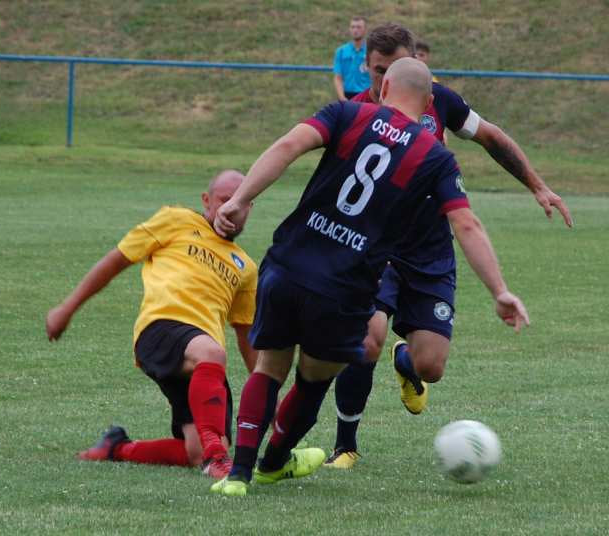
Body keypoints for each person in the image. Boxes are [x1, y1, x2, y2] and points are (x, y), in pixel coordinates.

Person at [209, 58, 529, 497]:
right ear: (430, 102)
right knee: (313, 378)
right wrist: (500, 290)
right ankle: (272, 464)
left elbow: (286, 146)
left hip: (289, 261)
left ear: (384, 88)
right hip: (345, 284)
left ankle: (238, 477)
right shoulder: (436, 157)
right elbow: (466, 225)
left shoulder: (346, 114)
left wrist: (241, 199)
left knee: (269, 368)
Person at [324, 23, 573, 470]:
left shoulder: (441, 102)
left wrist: (538, 186)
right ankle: (346, 445)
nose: (383, 81)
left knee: (431, 366)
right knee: (367, 337)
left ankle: (408, 363)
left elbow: (492, 137)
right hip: (375, 248)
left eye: (391, 69)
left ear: (416, 61)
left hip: (430, 252)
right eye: (376, 70)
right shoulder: (359, 111)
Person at [45, 170, 259, 480]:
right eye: (226, 201)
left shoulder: (246, 267)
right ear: (206, 201)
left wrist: (266, 388)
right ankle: (217, 459)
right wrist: (67, 308)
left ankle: (117, 448)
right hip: (161, 330)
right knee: (212, 358)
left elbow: (246, 335)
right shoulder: (176, 220)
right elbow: (115, 261)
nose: (233, 210)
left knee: (194, 451)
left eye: (242, 204)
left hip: (202, 362)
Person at [333, 16, 370, 100]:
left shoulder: (371, 51)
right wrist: (342, 98)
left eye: (358, 27)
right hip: (347, 96)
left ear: (365, 29)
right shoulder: (341, 51)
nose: (355, 30)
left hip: (366, 96)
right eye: (353, 27)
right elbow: (338, 77)